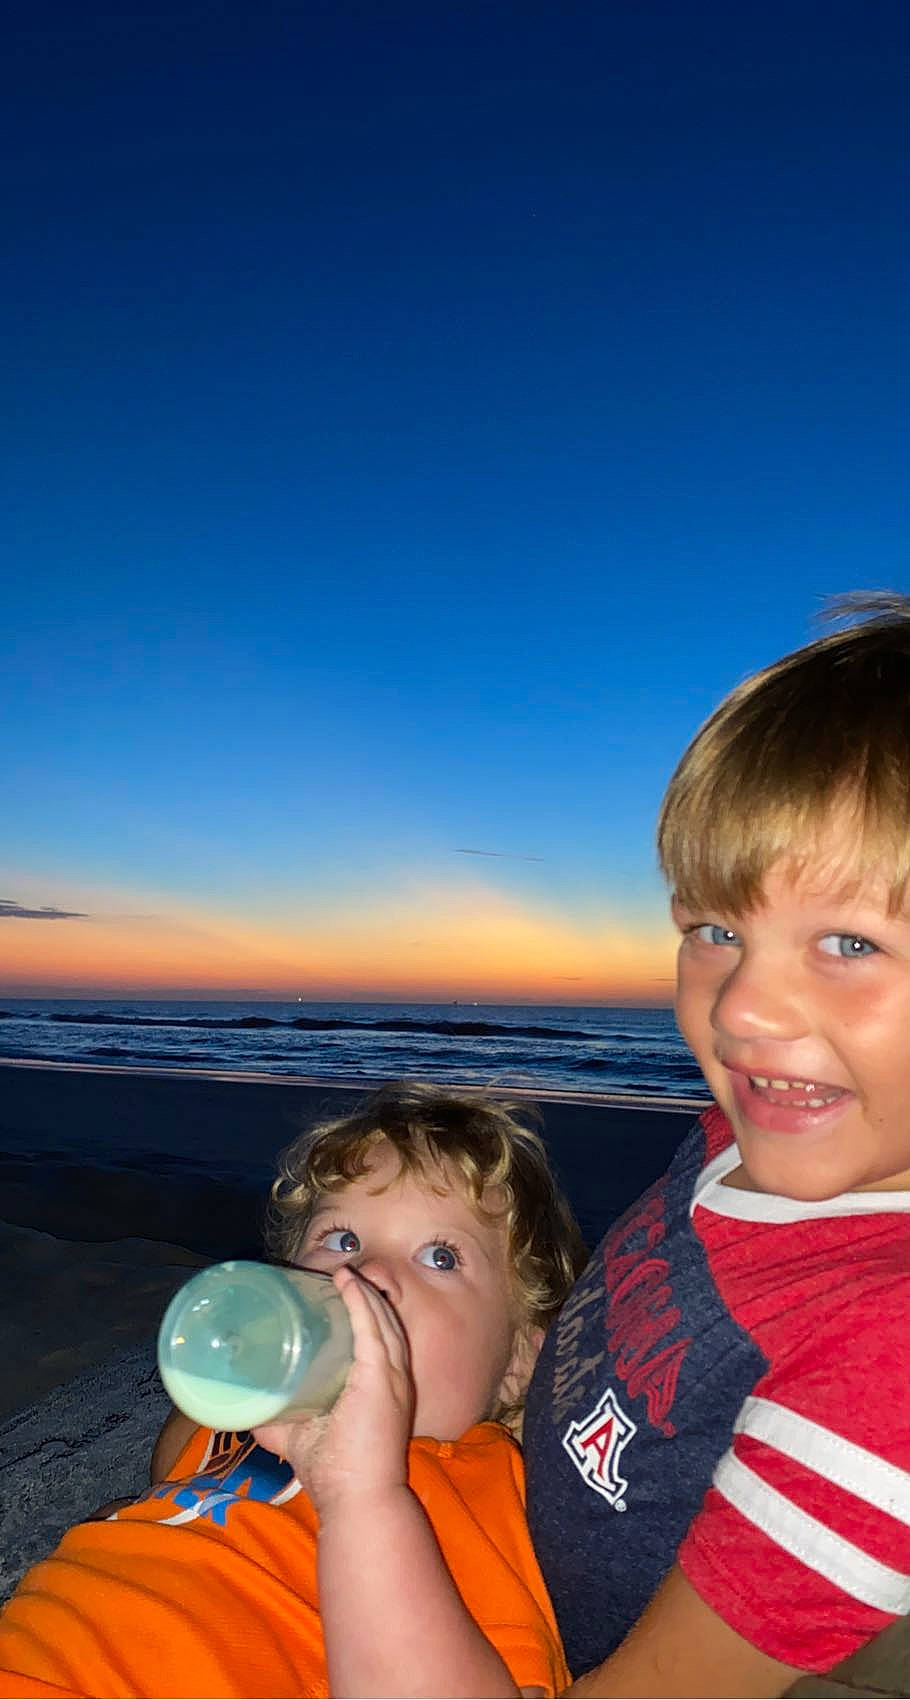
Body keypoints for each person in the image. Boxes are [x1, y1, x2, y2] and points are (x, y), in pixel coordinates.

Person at [523, 592, 910, 1697]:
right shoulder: (735, 1136)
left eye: (847, 940)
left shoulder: (887, 1344)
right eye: (715, 930)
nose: (740, 1006)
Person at [0, 1081, 587, 1699]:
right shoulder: (249, 1418)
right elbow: (178, 1473)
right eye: (342, 1240)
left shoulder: (483, 1488)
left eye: (440, 1257)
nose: (365, 1276)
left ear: (520, 1359)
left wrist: (364, 1497)